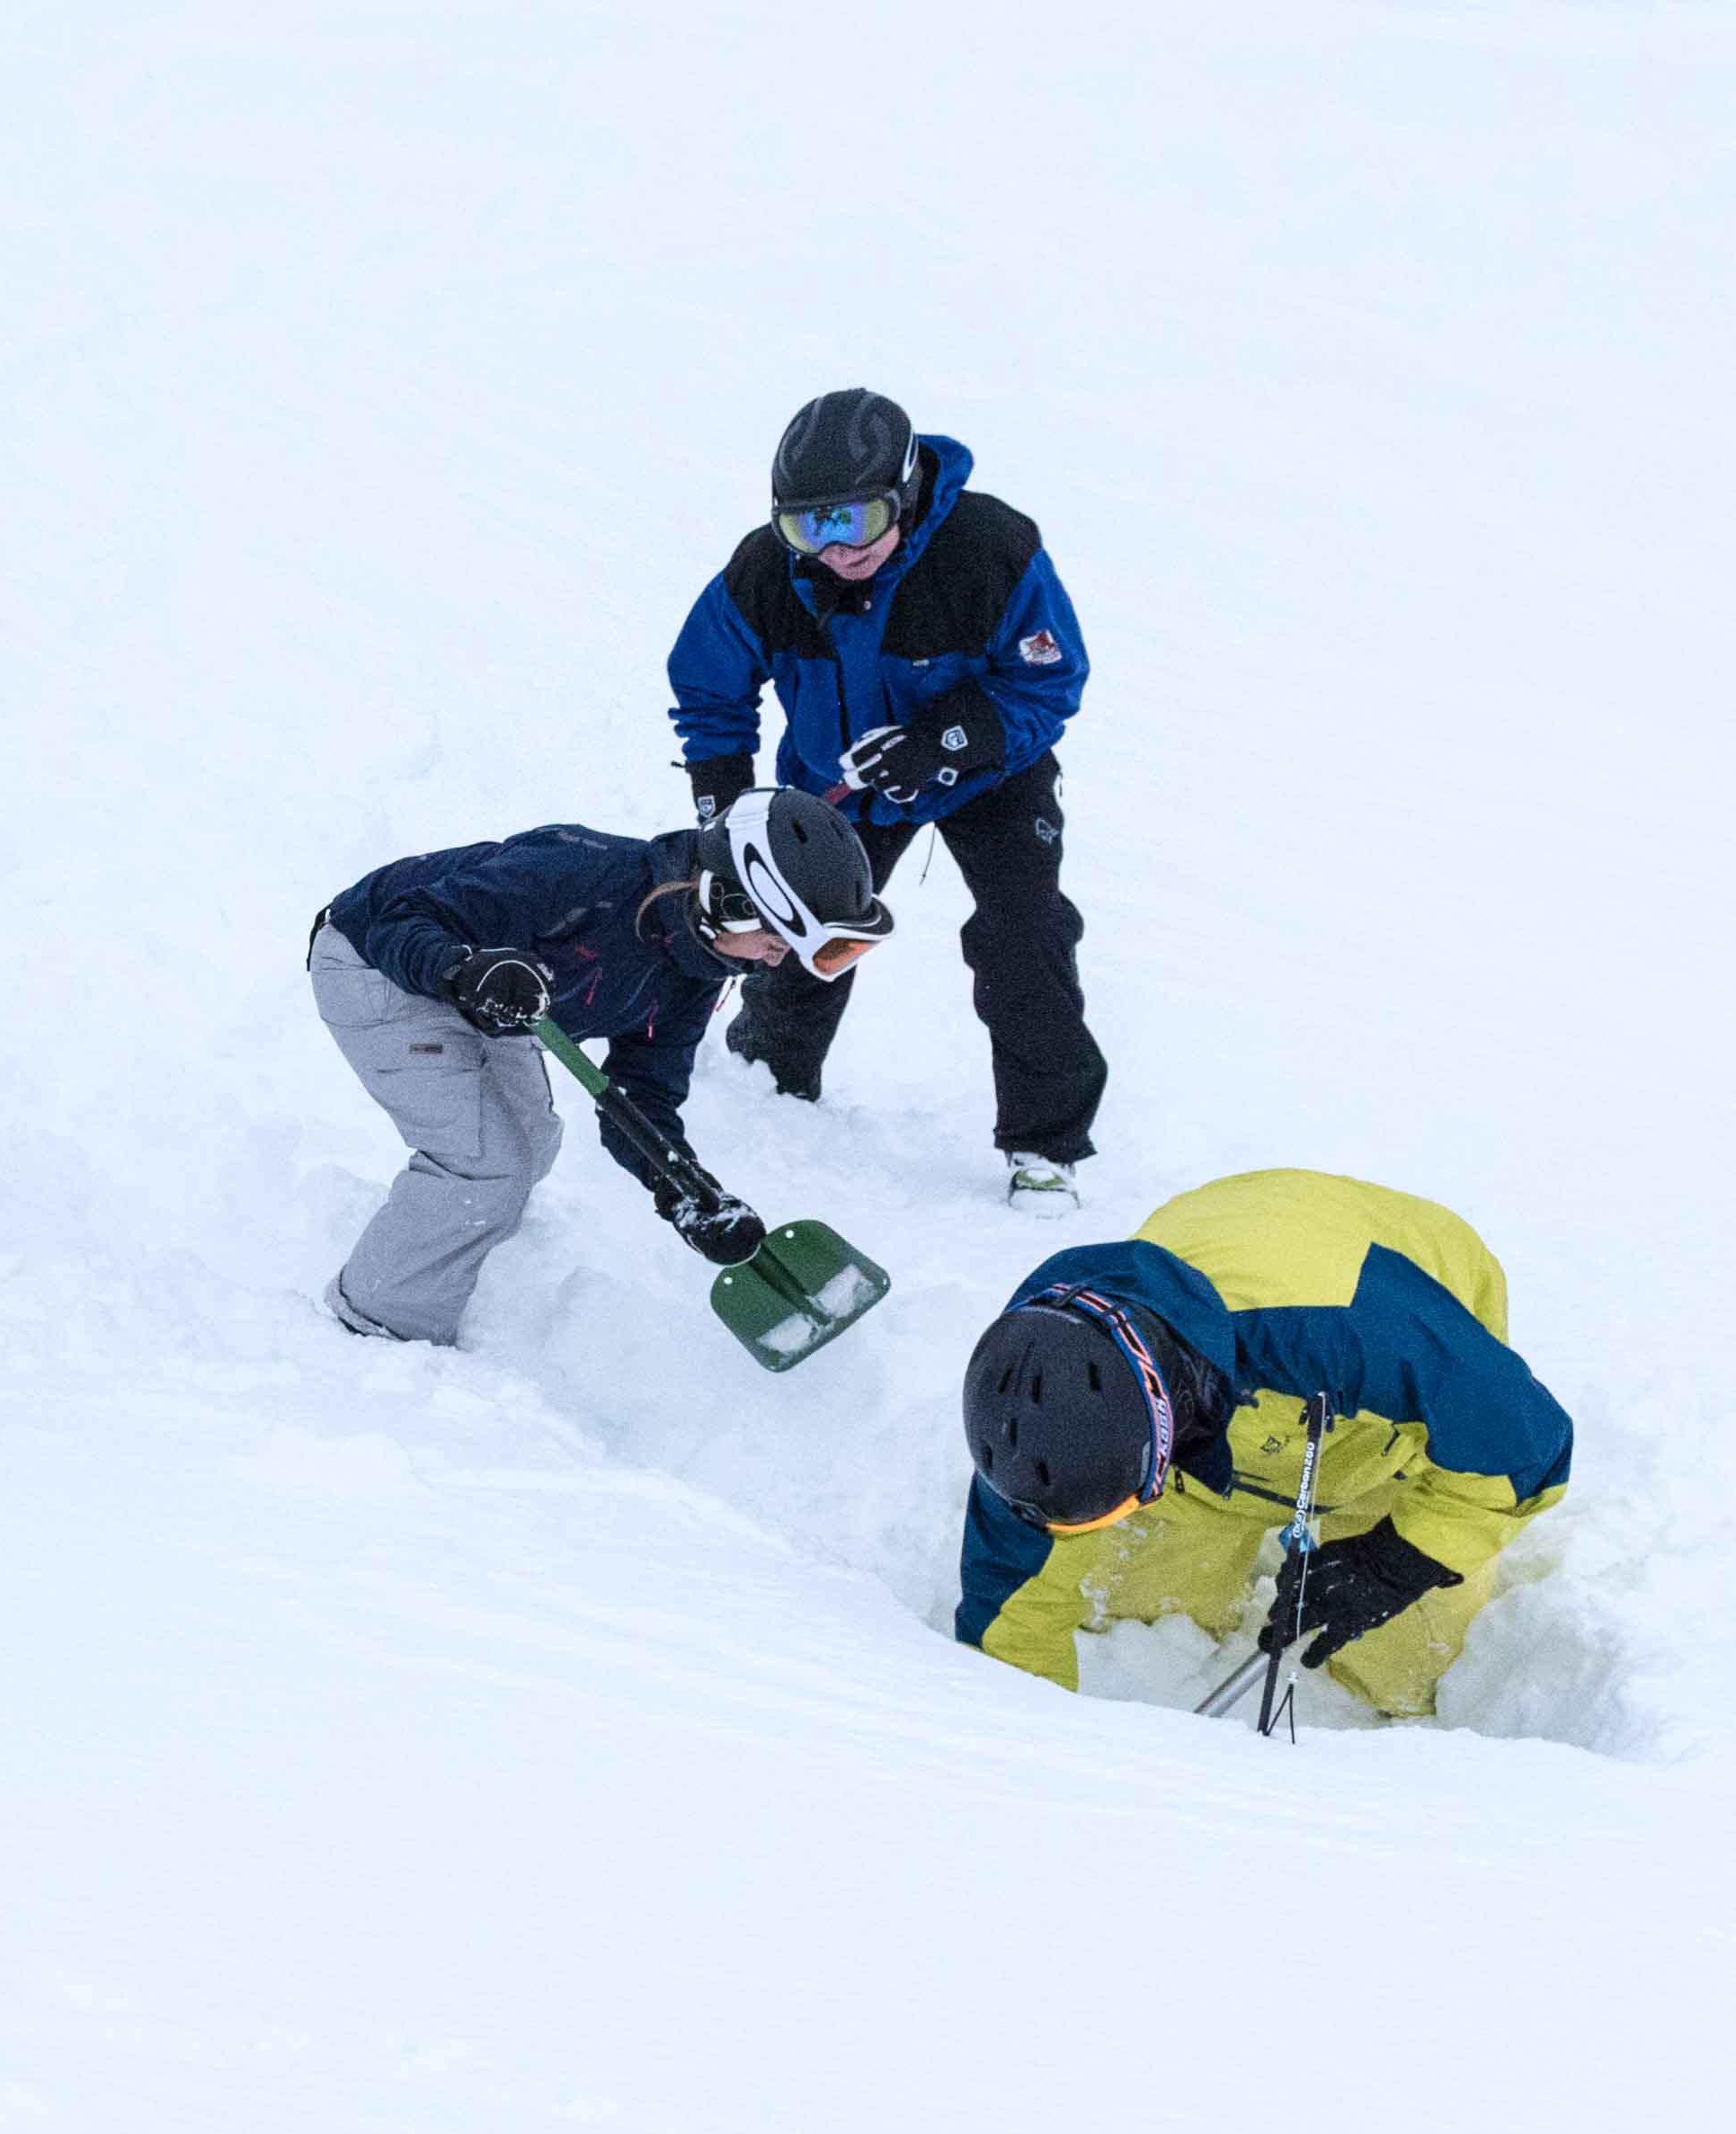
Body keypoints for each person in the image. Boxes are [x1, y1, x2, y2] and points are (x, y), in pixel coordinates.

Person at [667, 388, 1102, 1214]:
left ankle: (1045, 1146)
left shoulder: (988, 550)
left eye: (855, 520)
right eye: (808, 527)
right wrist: (723, 808)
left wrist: (945, 742)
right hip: (841, 775)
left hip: (989, 769)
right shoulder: (765, 573)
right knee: (797, 921)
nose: (835, 550)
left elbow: (1050, 680)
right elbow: (707, 686)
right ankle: (767, 1084)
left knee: (1024, 930)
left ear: (903, 493)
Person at [954, 1171, 1569, 1717]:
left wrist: (1400, 1557)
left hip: (1386, 1392)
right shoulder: (1037, 1391)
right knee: (1134, 1618)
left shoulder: (1353, 1333)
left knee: (1399, 1681)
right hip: (1220, 1396)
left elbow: (1525, 1445)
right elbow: (1011, 1610)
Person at [311, 790, 884, 1342]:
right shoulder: (581, 874)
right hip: (377, 965)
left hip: (494, 1000)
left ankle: (463, 1269)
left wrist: (682, 1188)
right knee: (486, 1166)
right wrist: (464, 971)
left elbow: (643, 1097)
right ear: (729, 902)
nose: (778, 959)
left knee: (531, 1144)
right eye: (777, 937)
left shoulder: (696, 971)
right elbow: (398, 919)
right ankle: (374, 1325)